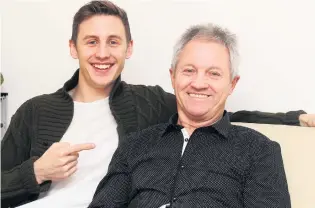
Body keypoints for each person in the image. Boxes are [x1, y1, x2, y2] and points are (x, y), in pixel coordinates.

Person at [1, 0, 312, 207]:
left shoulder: (148, 104)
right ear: (73, 48)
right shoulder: (36, 111)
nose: (102, 53)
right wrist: (37, 171)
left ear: (129, 48)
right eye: (91, 41)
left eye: (113, 41)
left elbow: (214, 108)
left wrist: (293, 118)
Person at [88, 23, 291, 208]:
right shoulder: (135, 145)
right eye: (189, 71)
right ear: (173, 76)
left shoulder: (259, 151)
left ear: (232, 84)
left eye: (213, 73)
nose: (199, 83)